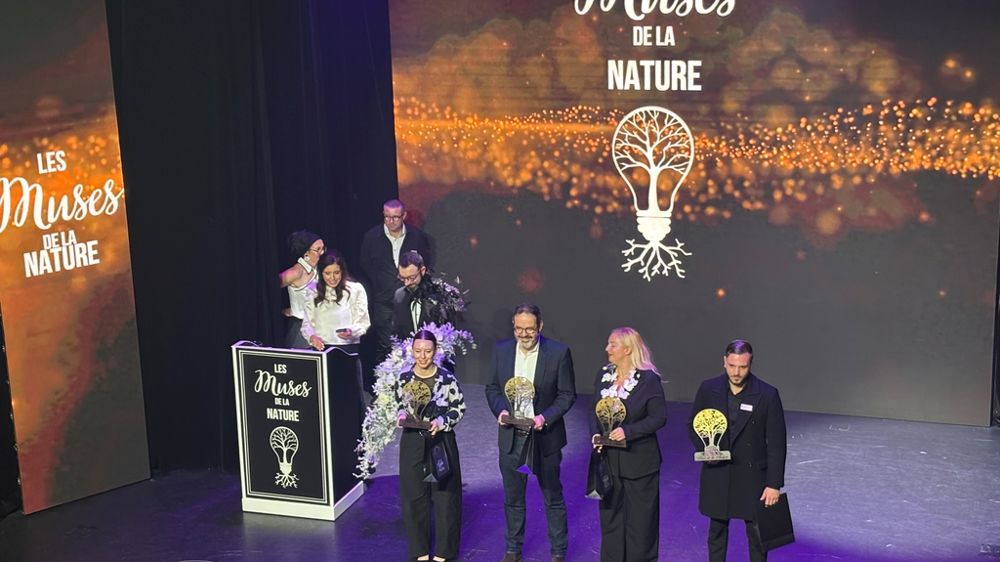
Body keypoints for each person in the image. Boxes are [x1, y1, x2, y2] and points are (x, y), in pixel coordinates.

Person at [485, 304, 576, 562]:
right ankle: (513, 549)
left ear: (540, 327)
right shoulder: (502, 351)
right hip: (511, 438)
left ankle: (558, 551)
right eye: (519, 329)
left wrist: (544, 418)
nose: (524, 334)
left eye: (530, 329)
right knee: (513, 498)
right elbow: (492, 388)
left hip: (544, 437)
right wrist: (501, 412)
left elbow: (567, 394)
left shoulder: (558, 353)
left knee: (552, 497)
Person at [688, 340, 787, 562]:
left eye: (742, 367)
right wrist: (705, 449)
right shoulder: (708, 389)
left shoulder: (768, 394)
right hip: (718, 473)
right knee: (716, 533)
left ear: (750, 364)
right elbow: (694, 424)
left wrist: (774, 484)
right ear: (724, 362)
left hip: (753, 478)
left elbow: (777, 443)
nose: (736, 372)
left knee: (757, 536)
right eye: (732, 366)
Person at [589, 327, 667, 562]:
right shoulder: (603, 375)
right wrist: (595, 435)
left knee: (641, 527)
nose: (607, 349)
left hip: (639, 465)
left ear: (628, 349)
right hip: (610, 464)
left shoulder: (648, 380)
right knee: (610, 522)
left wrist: (628, 432)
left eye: (612, 344)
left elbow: (658, 418)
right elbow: (595, 412)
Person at [395, 330, 465, 562]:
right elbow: (398, 404)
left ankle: (444, 552)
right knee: (413, 495)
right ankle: (420, 551)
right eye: (418, 351)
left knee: (445, 496)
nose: (422, 356)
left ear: (435, 351)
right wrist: (400, 415)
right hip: (413, 441)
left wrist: (442, 422)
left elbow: (459, 408)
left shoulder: (446, 378)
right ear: (411, 351)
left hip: (440, 442)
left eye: (427, 351)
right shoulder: (404, 378)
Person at [360, 199, 432, 363]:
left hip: (410, 298)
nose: (391, 221)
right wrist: (381, 281)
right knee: (385, 344)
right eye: (387, 217)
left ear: (404, 216)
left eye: (396, 217)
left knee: (412, 341)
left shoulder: (417, 237)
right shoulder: (372, 237)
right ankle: (385, 384)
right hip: (384, 299)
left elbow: (424, 262)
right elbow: (365, 264)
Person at [279, 230, 324, 348]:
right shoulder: (296, 272)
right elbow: (270, 286)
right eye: (318, 249)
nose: (322, 252)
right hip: (301, 329)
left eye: (323, 248)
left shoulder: (319, 267)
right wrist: (290, 309)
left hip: (320, 325)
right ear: (306, 254)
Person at [392, 250, 438, 339]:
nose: (406, 283)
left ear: (423, 271)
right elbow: (397, 331)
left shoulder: (439, 296)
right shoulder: (399, 296)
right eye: (402, 278)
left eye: (412, 277)